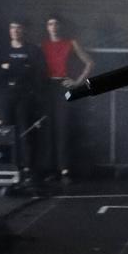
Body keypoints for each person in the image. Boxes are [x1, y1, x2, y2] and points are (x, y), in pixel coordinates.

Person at [40, 15, 96, 178]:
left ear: (61, 26)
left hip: (64, 86)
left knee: (63, 128)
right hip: (48, 88)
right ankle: (50, 168)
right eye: (50, 24)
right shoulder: (43, 46)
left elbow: (90, 63)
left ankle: (65, 168)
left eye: (56, 23)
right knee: (48, 128)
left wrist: (78, 82)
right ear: (47, 27)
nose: (53, 27)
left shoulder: (71, 43)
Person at [0, 19, 47, 177]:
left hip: (25, 95)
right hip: (6, 94)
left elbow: (36, 72)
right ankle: (6, 162)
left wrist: (11, 67)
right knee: (6, 129)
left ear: (23, 30)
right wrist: (21, 67)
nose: (15, 31)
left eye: (18, 28)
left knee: (25, 130)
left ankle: (26, 166)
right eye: (12, 28)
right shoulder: (2, 49)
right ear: (9, 30)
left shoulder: (32, 50)